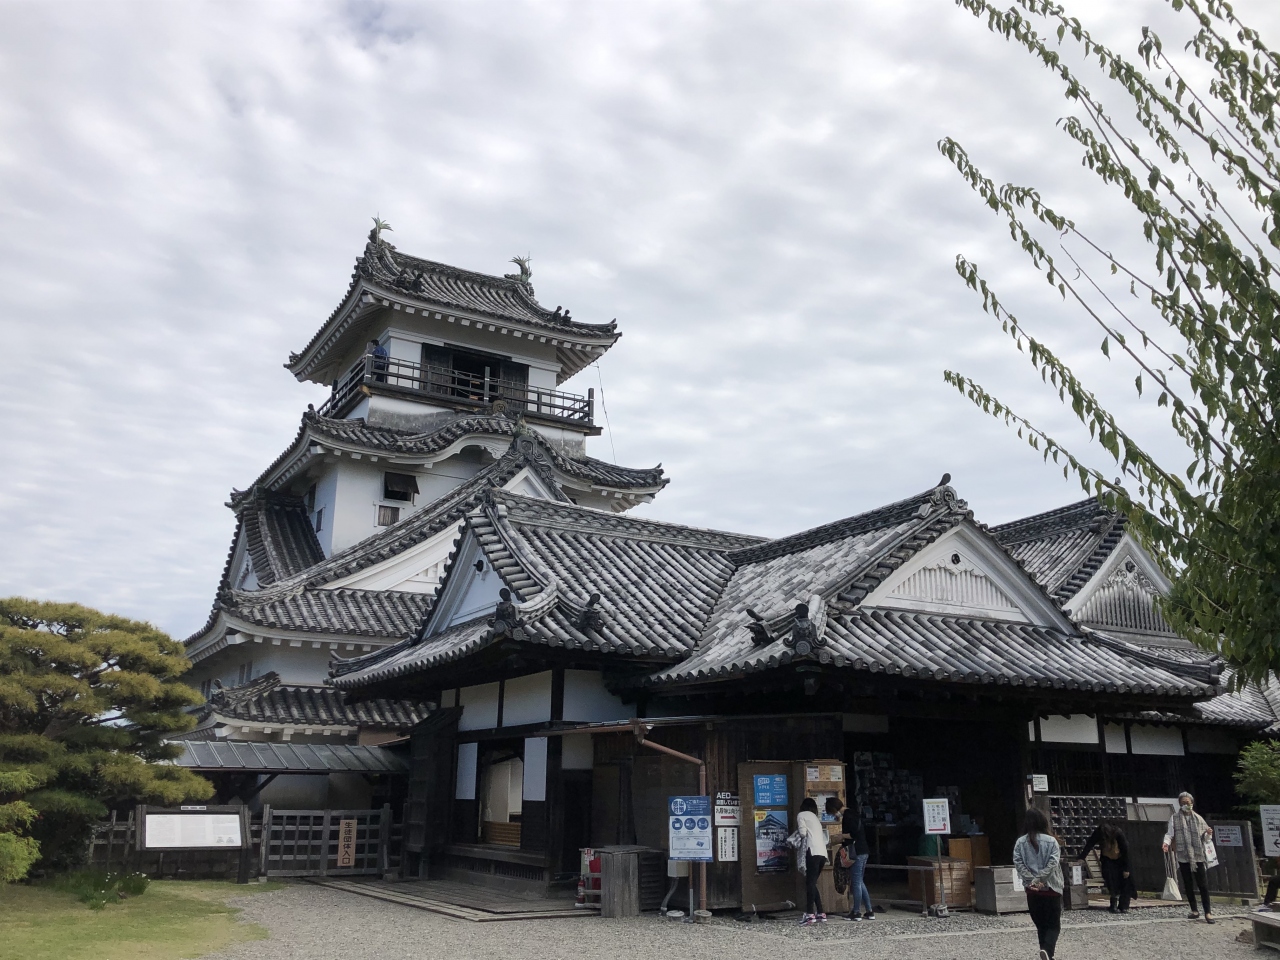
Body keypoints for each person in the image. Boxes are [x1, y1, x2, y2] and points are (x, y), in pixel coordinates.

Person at [1014, 807, 1063, 960]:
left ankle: (1045, 952)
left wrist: (1031, 880)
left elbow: (1018, 862)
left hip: (1032, 891)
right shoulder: (1052, 841)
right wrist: (1041, 879)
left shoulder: (1020, 842)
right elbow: (1053, 863)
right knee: (1054, 924)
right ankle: (1047, 951)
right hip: (1051, 888)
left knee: (1040, 924)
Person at [1163, 791, 1214, 923]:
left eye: (1188, 802)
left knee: (1203, 885)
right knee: (1188, 884)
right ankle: (1194, 910)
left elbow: (1206, 838)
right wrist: (1166, 843)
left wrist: (1208, 833)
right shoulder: (1175, 818)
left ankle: (1208, 912)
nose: (1186, 804)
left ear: (1192, 803)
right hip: (1183, 854)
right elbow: (1170, 834)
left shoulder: (1198, 818)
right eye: (1183, 802)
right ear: (1179, 804)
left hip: (1198, 855)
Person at [828, 796, 873, 921]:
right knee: (860, 881)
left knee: (856, 882)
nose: (833, 815)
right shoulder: (853, 813)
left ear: (834, 808)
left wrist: (840, 836)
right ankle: (869, 911)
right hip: (863, 850)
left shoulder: (847, 816)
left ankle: (856, 912)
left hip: (856, 852)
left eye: (831, 812)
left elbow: (853, 834)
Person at [1079, 821, 1134, 913]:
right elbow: (1090, 844)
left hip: (1121, 859)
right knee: (1111, 881)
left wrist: (1126, 869)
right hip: (1107, 859)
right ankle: (1113, 905)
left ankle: (1123, 906)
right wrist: (1081, 857)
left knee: (1125, 883)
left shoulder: (1118, 833)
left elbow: (1126, 851)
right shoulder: (1099, 832)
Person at [797, 797, 828, 925]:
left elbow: (803, 833)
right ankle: (820, 912)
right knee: (812, 882)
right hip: (822, 853)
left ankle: (810, 914)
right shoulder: (816, 818)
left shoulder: (801, 815)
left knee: (809, 883)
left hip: (812, 851)